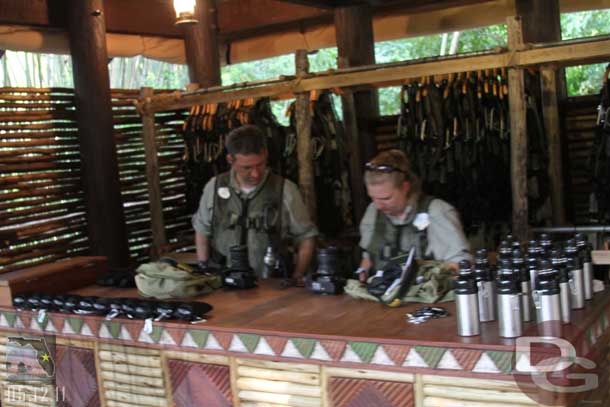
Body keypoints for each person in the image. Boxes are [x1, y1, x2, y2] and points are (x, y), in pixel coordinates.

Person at [192, 125, 318, 282]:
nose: (255, 173)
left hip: (272, 282)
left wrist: (297, 275)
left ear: (265, 154)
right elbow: (202, 229)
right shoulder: (215, 186)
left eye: (260, 164)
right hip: (224, 281)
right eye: (247, 167)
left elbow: (306, 236)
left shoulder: (285, 189)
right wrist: (204, 268)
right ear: (230, 160)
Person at [357, 149, 471, 281]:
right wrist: (361, 275)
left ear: (405, 187)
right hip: (383, 295)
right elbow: (369, 257)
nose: (379, 205)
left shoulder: (436, 212)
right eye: (373, 198)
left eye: (386, 198)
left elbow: (460, 264)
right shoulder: (373, 212)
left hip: (425, 297)